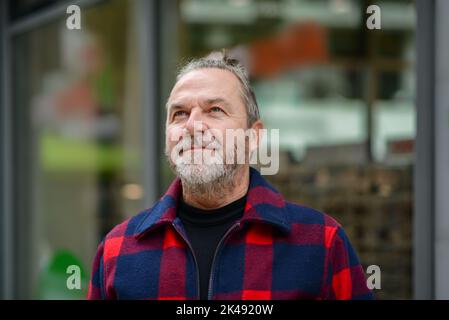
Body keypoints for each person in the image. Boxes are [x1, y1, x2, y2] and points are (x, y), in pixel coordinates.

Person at [87, 51, 374, 300]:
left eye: (214, 110)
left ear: (253, 136)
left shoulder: (321, 243)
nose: (193, 125)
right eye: (179, 114)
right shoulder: (117, 250)